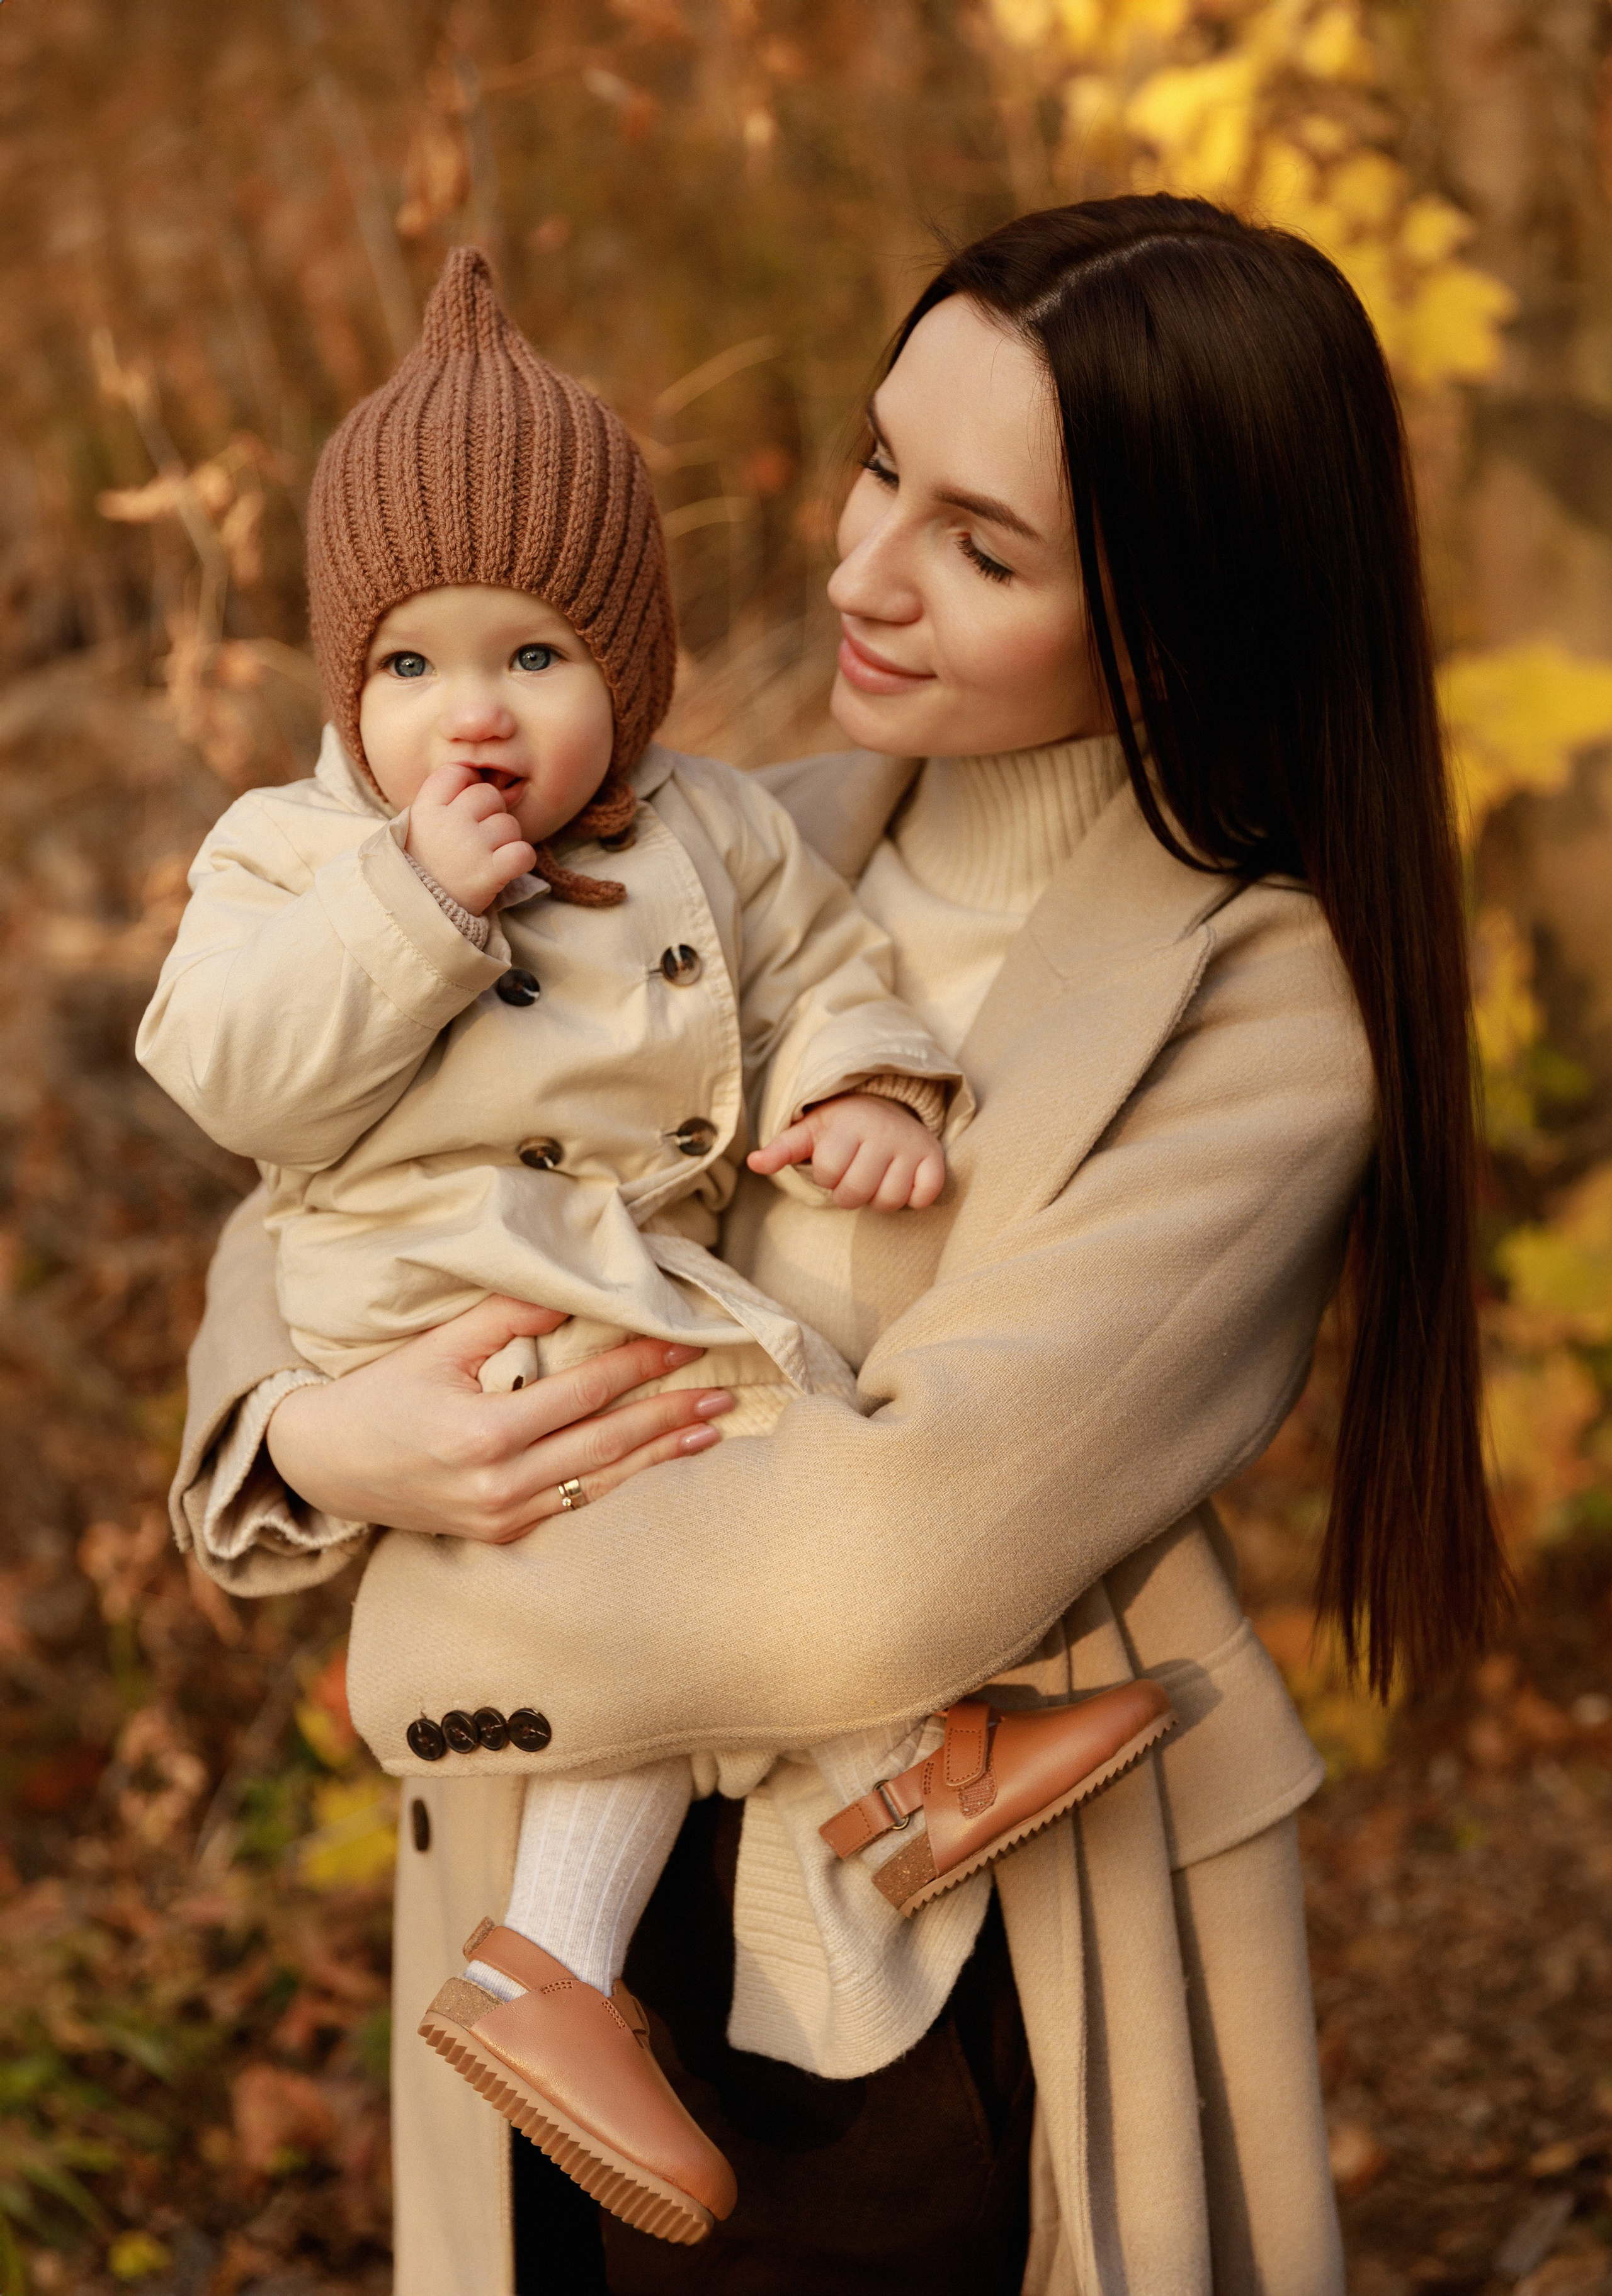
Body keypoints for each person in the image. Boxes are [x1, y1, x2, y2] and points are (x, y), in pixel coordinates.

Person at [170, 196, 1505, 2295]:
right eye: (884, 465)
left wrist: (422, 1599)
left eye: (982, 547)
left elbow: (904, 1553)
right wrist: (317, 1439)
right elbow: (312, 1176)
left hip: (953, 1970)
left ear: (1181, 612)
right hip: (560, 1910)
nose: (859, 571)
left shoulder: (1254, 1018)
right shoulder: (719, 839)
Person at [138, 247, 1168, 2248]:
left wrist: (873, 1087)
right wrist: (413, 910)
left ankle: (620, 1923)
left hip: (616, 1281)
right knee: (704, 1464)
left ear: (632, 664)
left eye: (534, 655)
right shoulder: (299, 854)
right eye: (410, 667)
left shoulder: (711, 826)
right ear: (346, 684)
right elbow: (231, 1081)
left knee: (727, 1471)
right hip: (436, 1288)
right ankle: (785, 1832)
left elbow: (823, 965)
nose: (472, 716)